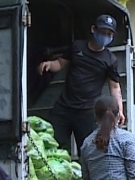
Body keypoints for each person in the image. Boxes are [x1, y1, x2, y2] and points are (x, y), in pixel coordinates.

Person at [38, 15, 124, 154]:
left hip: (87, 113)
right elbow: (60, 63)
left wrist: (119, 110)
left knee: (87, 152)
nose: (105, 36)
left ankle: (85, 176)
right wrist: (48, 64)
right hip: (63, 108)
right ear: (93, 29)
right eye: (102, 32)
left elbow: (114, 87)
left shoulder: (110, 60)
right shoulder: (77, 47)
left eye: (109, 34)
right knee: (49, 145)